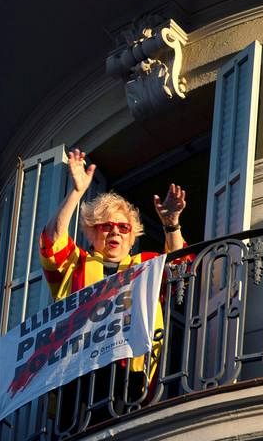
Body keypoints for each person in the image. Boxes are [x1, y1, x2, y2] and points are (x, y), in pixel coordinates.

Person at [38, 148, 186, 414]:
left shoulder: (145, 264)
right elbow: (52, 241)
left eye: (123, 227)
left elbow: (181, 269)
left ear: (132, 237)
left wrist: (171, 225)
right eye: (106, 226)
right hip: (81, 378)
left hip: (133, 375)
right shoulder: (77, 265)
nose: (115, 231)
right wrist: (77, 192)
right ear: (92, 233)